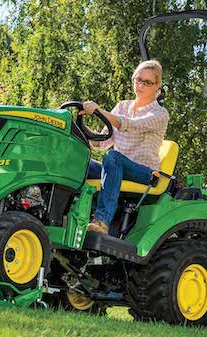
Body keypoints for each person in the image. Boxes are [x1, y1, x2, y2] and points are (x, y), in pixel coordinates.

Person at [81, 60, 169, 234]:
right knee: (81, 161)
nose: (141, 85)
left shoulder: (160, 114)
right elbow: (101, 142)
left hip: (145, 173)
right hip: (116, 168)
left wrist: (98, 111)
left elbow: (129, 124)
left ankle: (102, 222)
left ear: (157, 86)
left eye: (147, 82)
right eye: (138, 79)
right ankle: (67, 213)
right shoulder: (122, 106)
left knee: (113, 157)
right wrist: (79, 126)